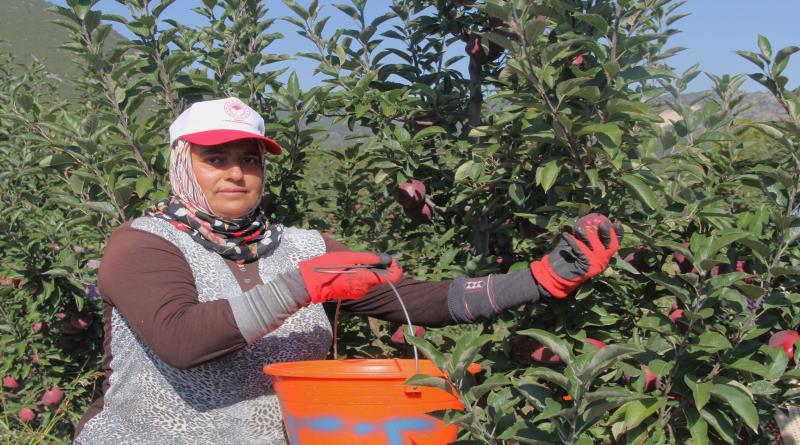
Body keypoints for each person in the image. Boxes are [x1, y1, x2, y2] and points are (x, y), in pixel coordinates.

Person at [73, 97, 623, 445]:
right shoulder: (142, 244)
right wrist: (299, 288)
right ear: (180, 163)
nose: (236, 173)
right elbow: (181, 339)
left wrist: (541, 277)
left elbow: (415, 299)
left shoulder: (302, 246)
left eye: (251, 159)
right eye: (215, 159)